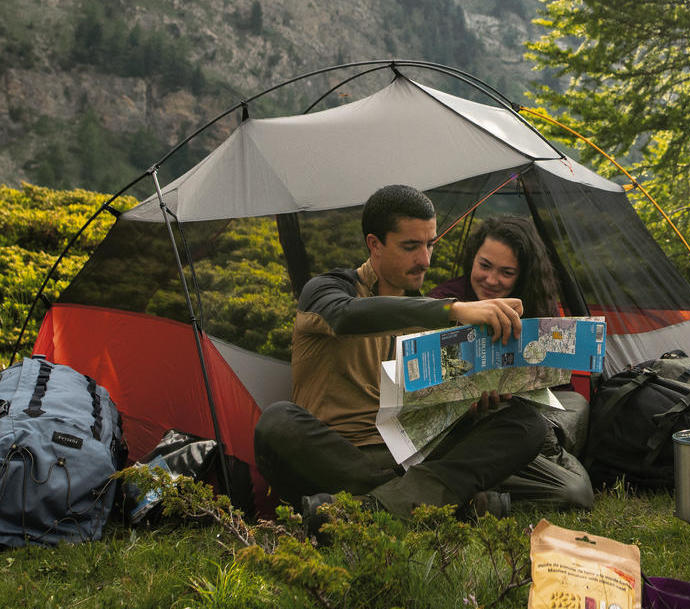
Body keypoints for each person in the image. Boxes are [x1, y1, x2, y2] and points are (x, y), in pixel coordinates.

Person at [253, 183, 567, 525]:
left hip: (412, 454)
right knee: (277, 421)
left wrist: (476, 405)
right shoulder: (327, 292)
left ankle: (372, 511)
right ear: (375, 244)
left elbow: (438, 404)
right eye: (411, 246)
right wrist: (455, 310)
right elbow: (347, 316)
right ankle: (436, 505)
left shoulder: (431, 314)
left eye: (430, 244)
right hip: (336, 457)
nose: (425, 260)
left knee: (525, 424)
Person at [430, 215, 595, 505]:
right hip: (469, 431)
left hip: (531, 421)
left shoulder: (535, 306)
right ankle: (479, 496)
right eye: (484, 266)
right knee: (573, 490)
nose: (491, 280)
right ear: (473, 258)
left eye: (506, 272)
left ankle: (543, 449)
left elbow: (558, 387)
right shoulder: (445, 303)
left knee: (575, 406)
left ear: (522, 275)